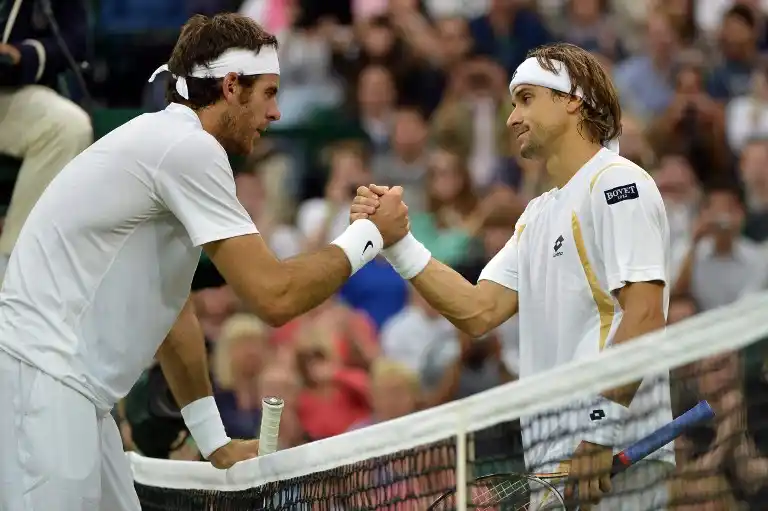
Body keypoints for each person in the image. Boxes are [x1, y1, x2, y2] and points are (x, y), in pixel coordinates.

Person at [0, 13, 407, 511]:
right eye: (269, 94)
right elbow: (274, 297)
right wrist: (370, 236)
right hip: (41, 385)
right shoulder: (187, 150)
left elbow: (173, 314)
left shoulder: (170, 142)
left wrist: (215, 443)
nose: (276, 112)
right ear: (232, 87)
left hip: (68, 392)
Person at [352, 42, 673, 510]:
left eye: (525, 99)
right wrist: (397, 241)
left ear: (572, 101)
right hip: (557, 461)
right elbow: (477, 311)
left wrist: (600, 431)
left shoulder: (618, 184)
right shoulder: (537, 214)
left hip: (613, 450)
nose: (511, 118)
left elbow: (644, 315)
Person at [0, 0, 93, 280]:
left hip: (10, 91)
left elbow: (74, 42)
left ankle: (15, 271)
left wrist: (23, 54)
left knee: (67, 126)